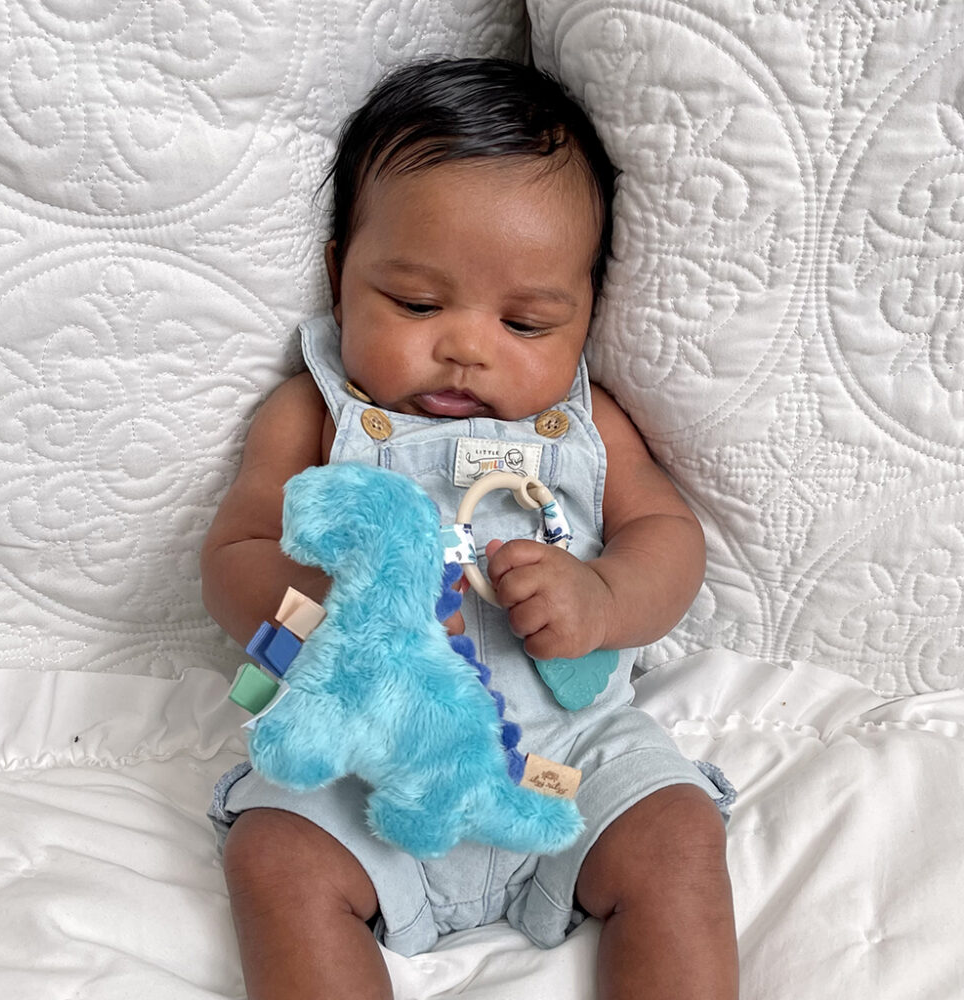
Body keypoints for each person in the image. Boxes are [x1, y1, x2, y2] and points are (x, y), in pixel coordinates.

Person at [202, 57, 738, 1000]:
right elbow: (233, 555)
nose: (467, 346)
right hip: (363, 761)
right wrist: (326, 606)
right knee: (274, 855)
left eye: (527, 322)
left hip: (568, 754)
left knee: (677, 835)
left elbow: (670, 538)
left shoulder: (585, 423)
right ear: (341, 275)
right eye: (415, 304)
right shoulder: (314, 416)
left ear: (587, 314)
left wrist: (605, 596)